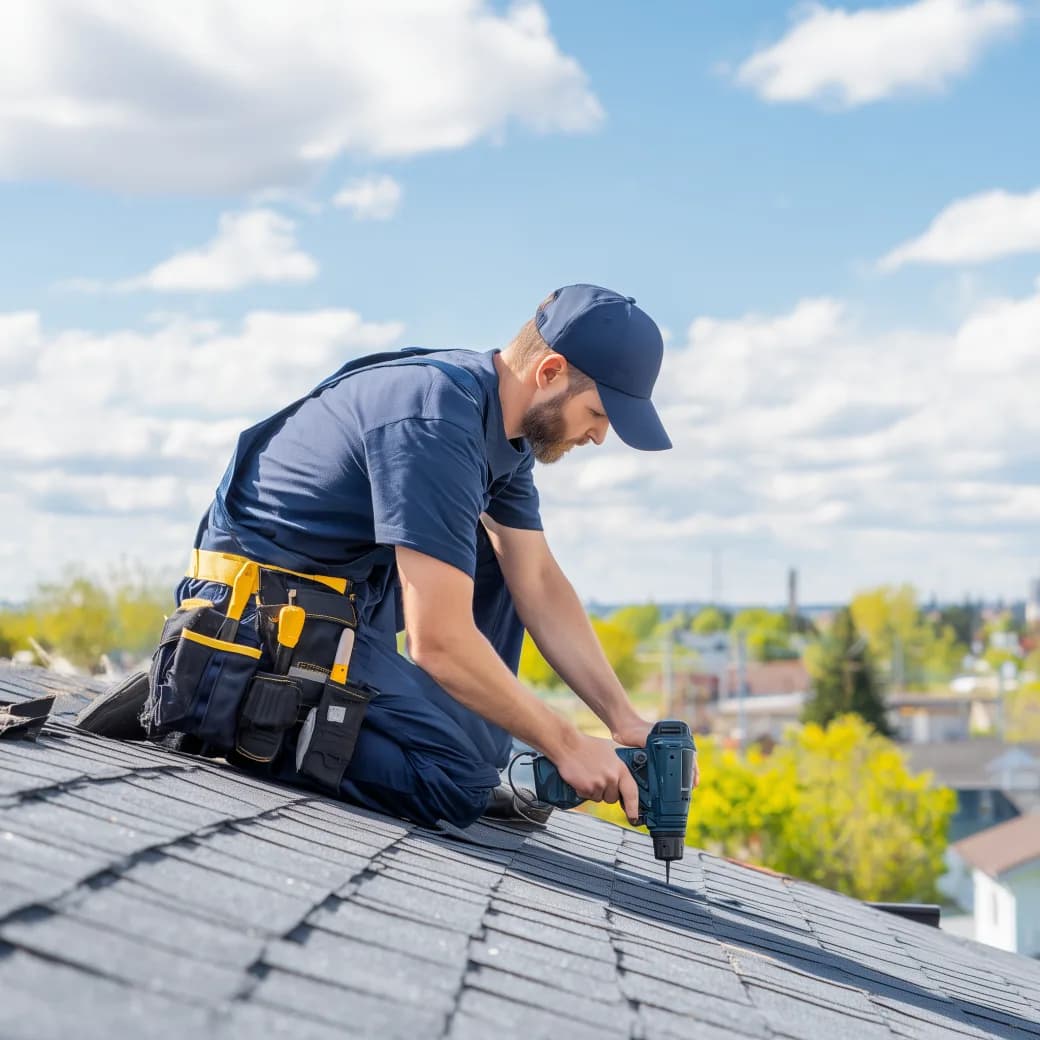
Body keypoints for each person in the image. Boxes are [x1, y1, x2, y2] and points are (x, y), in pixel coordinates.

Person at [81, 284, 697, 829]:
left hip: (345, 596)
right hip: (263, 610)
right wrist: (564, 743)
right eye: (598, 414)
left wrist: (622, 720)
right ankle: (222, 697)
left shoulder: (501, 431)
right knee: (454, 784)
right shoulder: (434, 418)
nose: (598, 436)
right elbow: (439, 641)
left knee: (503, 570)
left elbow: (535, 577)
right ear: (551, 370)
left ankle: (459, 752)